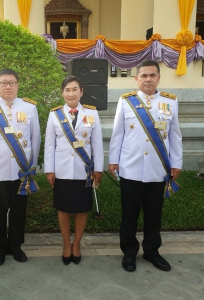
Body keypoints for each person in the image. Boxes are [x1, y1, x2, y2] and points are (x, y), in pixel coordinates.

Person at [108, 60, 182, 272]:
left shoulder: (170, 102)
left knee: (153, 214)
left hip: (158, 169)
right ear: (136, 79)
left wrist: (176, 163)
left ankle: (151, 252)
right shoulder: (126, 101)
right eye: (144, 75)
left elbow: (175, 136)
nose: (148, 79)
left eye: (152, 75)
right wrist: (114, 160)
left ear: (158, 78)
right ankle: (129, 253)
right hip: (130, 168)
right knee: (129, 214)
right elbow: (118, 134)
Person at [0, 68, 41, 266]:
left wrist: (31, 167)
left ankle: (15, 246)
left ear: (17, 85)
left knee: (19, 210)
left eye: (11, 82)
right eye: (3, 82)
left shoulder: (29, 107)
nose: (8, 86)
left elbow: (35, 139)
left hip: (21, 171)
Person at [44, 75, 104, 265]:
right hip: (61, 171)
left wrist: (98, 169)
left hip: (83, 171)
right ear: (62, 93)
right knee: (63, 209)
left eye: (74, 89)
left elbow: (97, 144)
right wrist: (49, 170)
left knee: (81, 209)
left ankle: (77, 243)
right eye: (67, 90)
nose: (71, 93)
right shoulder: (55, 115)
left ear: (81, 92)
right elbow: (49, 145)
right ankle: (66, 244)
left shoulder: (92, 114)